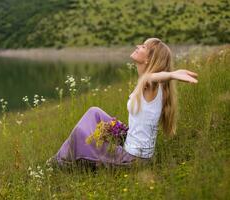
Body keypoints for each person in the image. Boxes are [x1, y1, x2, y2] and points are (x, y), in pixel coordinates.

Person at [46, 38, 198, 169]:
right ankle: (63, 157)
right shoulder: (150, 85)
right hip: (130, 141)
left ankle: (59, 163)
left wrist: (171, 74)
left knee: (80, 133)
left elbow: (152, 77)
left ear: (148, 60)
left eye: (144, 47)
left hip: (134, 159)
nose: (138, 46)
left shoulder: (150, 84)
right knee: (95, 112)